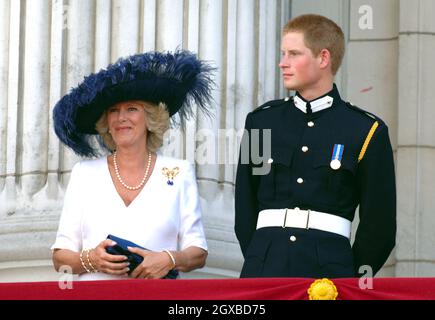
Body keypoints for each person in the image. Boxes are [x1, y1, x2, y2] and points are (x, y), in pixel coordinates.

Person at [235, 14, 396, 278]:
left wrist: (347, 279)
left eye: (293, 54)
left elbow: (379, 227)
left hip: (330, 273)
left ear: (323, 58)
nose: (282, 63)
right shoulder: (260, 121)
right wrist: (258, 258)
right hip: (264, 268)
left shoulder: (366, 131)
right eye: (283, 53)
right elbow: (245, 208)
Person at [51, 50, 215, 280]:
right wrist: (91, 259)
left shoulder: (179, 172)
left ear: (150, 117)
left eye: (131, 109)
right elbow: (60, 257)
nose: (121, 118)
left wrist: (168, 259)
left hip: (157, 298)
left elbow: (198, 252)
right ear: (105, 122)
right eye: (113, 111)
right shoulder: (84, 174)